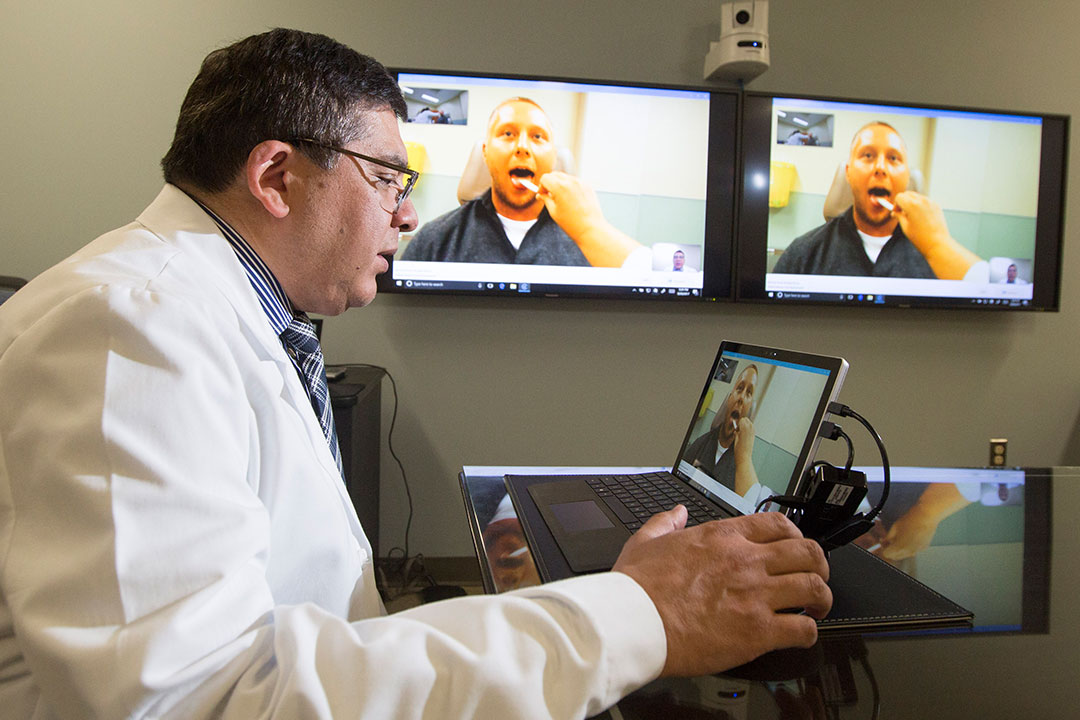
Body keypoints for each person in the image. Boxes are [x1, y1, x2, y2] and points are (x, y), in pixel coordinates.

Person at [0, 29, 830, 719]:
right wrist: (638, 615)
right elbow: (195, 698)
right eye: (389, 177)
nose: (406, 212)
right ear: (276, 177)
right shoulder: (130, 326)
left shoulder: (220, 313)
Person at [402, 97, 645, 267]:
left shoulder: (592, 246)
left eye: (538, 137)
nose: (522, 147)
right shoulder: (434, 241)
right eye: (508, 134)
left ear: (553, 156)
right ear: (485, 152)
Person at [774, 122, 984, 280]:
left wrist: (938, 246)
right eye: (867, 155)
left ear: (907, 176)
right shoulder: (803, 255)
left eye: (893, 158)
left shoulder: (939, 259)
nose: (880, 168)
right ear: (848, 172)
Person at [685, 365, 762, 498]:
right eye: (739, 388)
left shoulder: (743, 468)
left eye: (749, 393)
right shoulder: (700, 444)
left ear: (749, 408)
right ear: (729, 397)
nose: (741, 398)